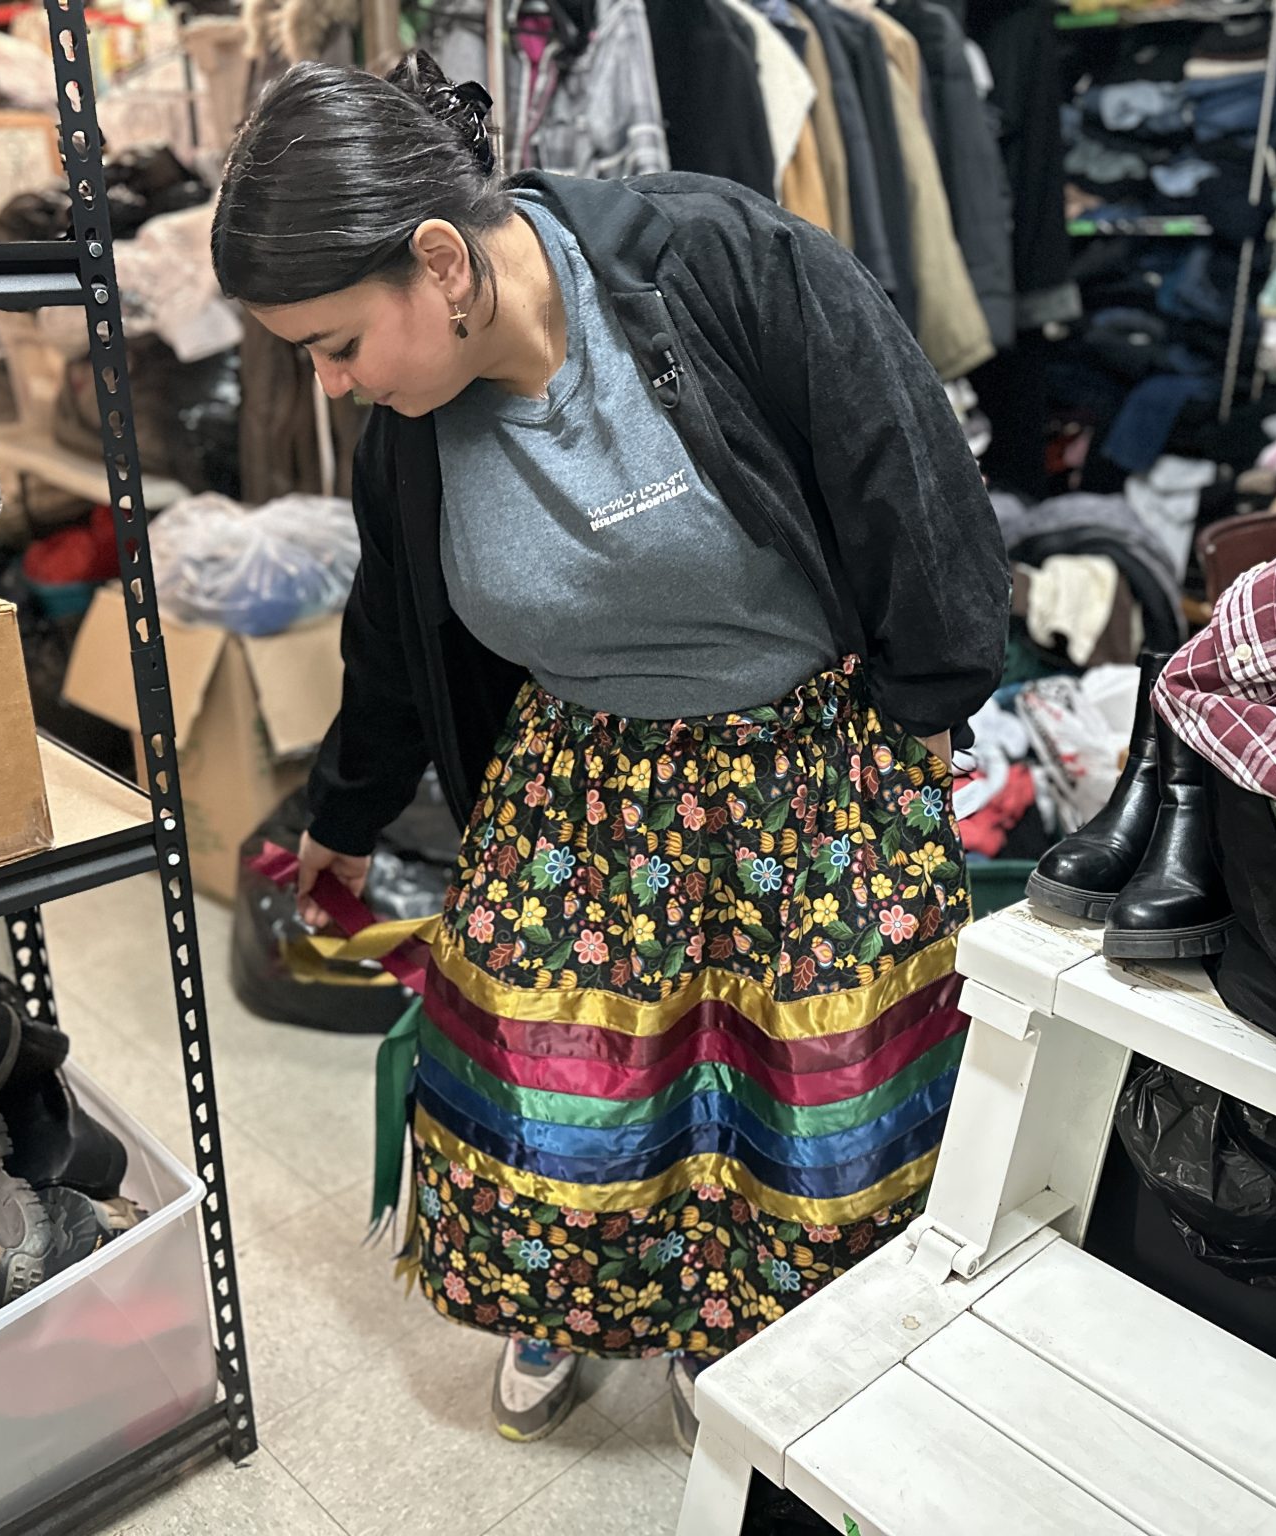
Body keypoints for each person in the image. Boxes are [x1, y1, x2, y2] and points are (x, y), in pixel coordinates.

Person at [209, 51, 1008, 1449]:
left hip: (803, 762)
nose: (330, 384)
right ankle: (577, 1297)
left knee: (792, 1084)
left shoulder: (724, 264)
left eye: (334, 343)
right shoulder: (409, 430)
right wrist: (341, 812)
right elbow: (394, 636)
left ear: (442, 263)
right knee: (556, 1072)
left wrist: (917, 735)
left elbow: (914, 488)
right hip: (578, 772)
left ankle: (741, 1324)